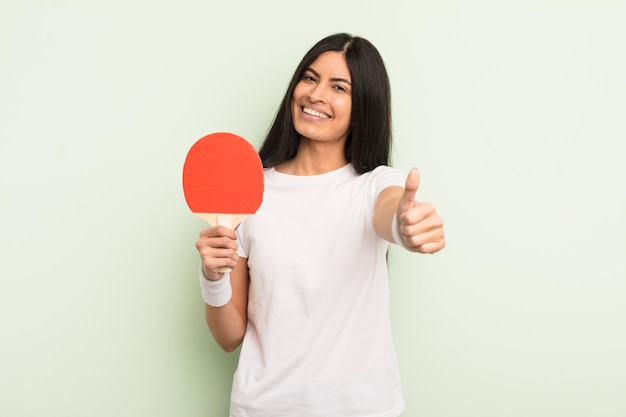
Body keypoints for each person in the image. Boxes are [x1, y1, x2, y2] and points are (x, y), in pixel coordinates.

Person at [195, 33, 445, 417]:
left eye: (338, 87)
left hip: (363, 407)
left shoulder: (374, 184)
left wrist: (405, 225)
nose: (316, 94)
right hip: (264, 407)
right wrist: (213, 276)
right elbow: (229, 337)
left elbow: (390, 213)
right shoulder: (248, 193)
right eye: (309, 78)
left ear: (364, 106)